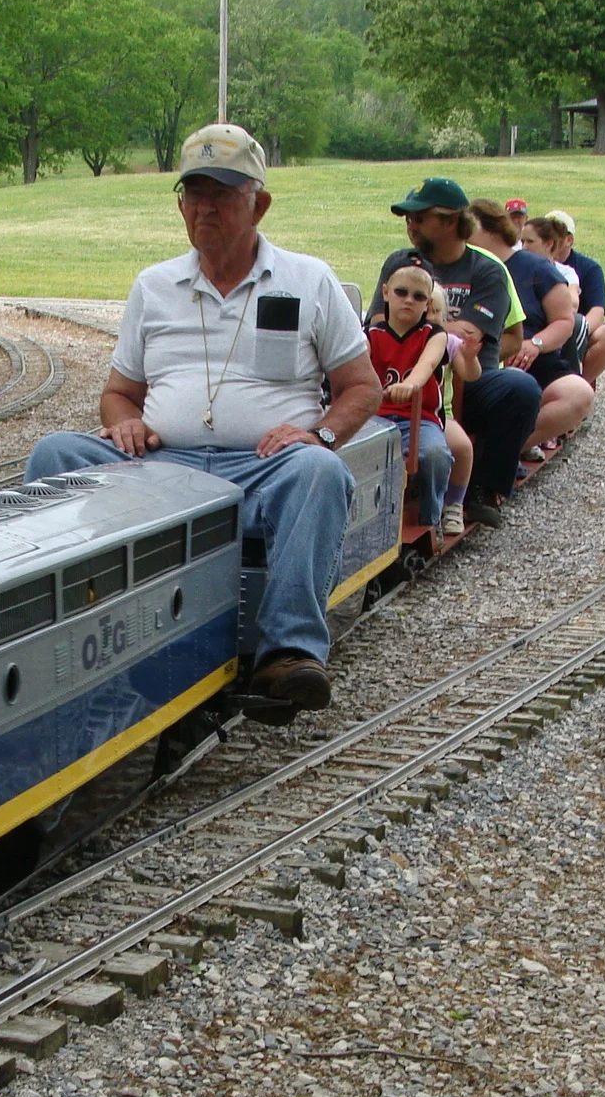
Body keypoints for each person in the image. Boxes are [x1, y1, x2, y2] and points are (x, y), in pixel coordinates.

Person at [24, 123, 380, 710]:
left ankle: (287, 653)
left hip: (265, 467)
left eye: (221, 193)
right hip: (164, 464)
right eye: (194, 193)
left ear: (258, 203)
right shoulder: (154, 285)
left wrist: (318, 434)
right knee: (57, 454)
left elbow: (360, 388)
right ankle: (60, 634)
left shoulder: (308, 279)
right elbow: (119, 392)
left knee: (320, 472)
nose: (204, 207)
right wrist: (124, 422)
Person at [369, 177, 540, 526]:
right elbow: (376, 321)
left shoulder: (488, 269)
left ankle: (481, 488)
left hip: (467, 374)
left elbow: (468, 337)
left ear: (449, 221)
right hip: (396, 373)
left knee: (520, 389)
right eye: (408, 217)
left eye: (420, 217)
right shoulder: (401, 262)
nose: (410, 224)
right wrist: (443, 327)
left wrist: (434, 331)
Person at [466, 198, 592, 463]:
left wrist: (534, 343)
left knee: (577, 394)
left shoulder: (536, 267)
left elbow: (564, 321)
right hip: (479, 359)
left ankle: (507, 449)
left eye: (470, 226)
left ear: (491, 231)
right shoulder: (467, 266)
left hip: (532, 358)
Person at [366, 258, 472, 540]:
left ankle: (431, 517)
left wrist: (410, 385)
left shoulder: (433, 335)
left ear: (427, 304)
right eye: (401, 293)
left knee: (435, 454)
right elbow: (357, 364)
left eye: (418, 297)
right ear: (386, 292)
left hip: (420, 419)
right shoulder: (371, 334)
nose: (408, 301)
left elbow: (427, 365)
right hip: (375, 418)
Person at [545, 209, 605, 387]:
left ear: (569, 240)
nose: (551, 241)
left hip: (577, 327)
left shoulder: (588, 268)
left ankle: (579, 386)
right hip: (546, 325)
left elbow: (597, 311)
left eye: (556, 236)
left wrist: (576, 332)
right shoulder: (534, 262)